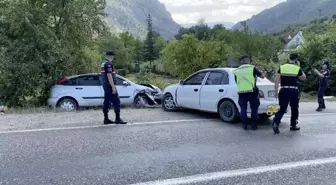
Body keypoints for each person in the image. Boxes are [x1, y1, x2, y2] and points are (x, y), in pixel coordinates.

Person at [272, 53, 306, 134]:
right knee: (294, 108)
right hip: (293, 91)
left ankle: (276, 123)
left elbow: (276, 80)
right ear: (296, 59)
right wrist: (299, 67)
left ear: (289, 58)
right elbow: (303, 78)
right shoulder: (297, 68)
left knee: (282, 108)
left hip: (283, 90)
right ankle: (293, 125)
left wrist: (276, 91)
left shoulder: (282, 67)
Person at [233, 54, 265, 130]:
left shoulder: (236, 70)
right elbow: (262, 76)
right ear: (248, 60)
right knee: (254, 108)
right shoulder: (253, 68)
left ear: (241, 61)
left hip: (241, 92)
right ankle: (254, 125)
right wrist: (262, 71)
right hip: (252, 91)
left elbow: (236, 81)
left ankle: (245, 124)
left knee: (243, 109)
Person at [101, 50, 127, 125]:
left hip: (105, 86)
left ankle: (106, 119)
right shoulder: (108, 64)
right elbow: (109, 76)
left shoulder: (103, 63)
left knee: (106, 101)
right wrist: (113, 87)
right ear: (111, 56)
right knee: (116, 101)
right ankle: (117, 119)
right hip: (109, 85)